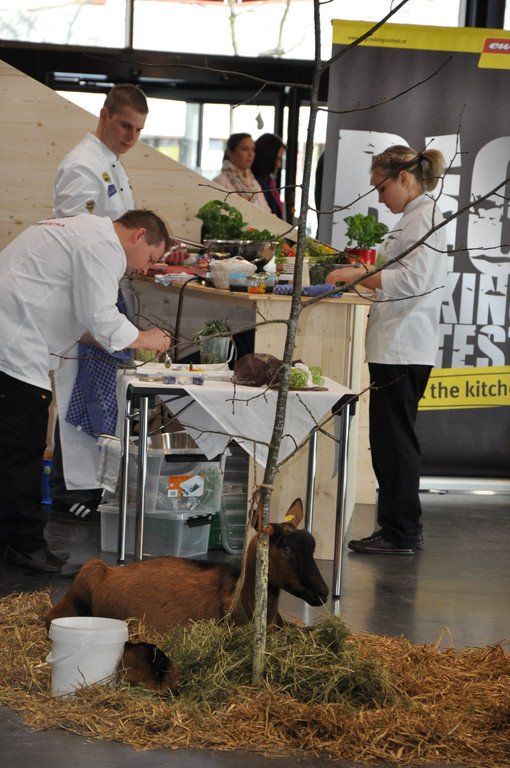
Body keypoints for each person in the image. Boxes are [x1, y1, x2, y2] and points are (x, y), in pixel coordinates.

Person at [0, 210, 171, 574]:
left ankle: (12, 542)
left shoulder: (84, 231)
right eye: (151, 258)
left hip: (14, 333)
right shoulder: (103, 245)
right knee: (21, 448)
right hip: (12, 343)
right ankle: (24, 546)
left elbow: (80, 316)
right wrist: (146, 338)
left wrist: (119, 341)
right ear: (139, 235)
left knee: (11, 448)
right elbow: (102, 317)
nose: (144, 268)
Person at [327, 145, 447, 556]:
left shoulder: (424, 216)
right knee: (389, 440)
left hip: (404, 346)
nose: (379, 198)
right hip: (397, 345)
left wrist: (362, 274)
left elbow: (413, 281)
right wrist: (367, 269)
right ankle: (400, 528)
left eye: (381, 188)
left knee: (394, 443)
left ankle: (401, 532)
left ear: (403, 178)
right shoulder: (414, 216)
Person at [51, 84, 149, 523]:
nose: (131, 136)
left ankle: (90, 487)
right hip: (85, 290)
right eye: (125, 125)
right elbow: (78, 235)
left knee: (99, 391)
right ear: (104, 114)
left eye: (138, 130)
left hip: (105, 284)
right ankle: (66, 490)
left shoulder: (110, 162)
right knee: (79, 391)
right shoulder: (82, 164)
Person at [213, 133, 271, 213]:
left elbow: (267, 213)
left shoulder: (254, 184)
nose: (251, 154)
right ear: (230, 153)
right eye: (245, 149)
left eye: (253, 150)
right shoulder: (220, 182)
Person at [251, 133, 286, 218]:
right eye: (277, 159)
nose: (279, 165)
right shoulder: (256, 182)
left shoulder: (268, 181)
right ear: (267, 157)